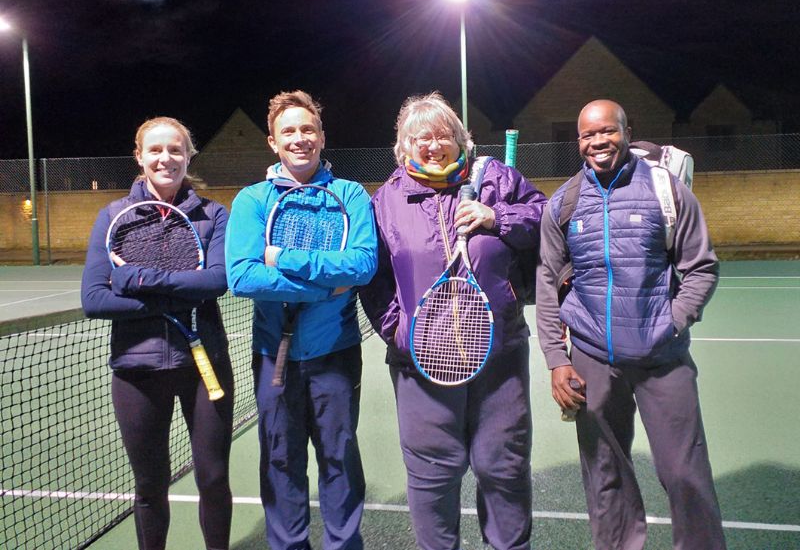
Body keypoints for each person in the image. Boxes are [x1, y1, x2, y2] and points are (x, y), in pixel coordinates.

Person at [535, 99, 726, 550]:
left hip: (662, 357)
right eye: (588, 134)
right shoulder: (563, 202)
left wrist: (672, 322)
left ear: (627, 130)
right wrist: (556, 359)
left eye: (608, 131)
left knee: (685, 473)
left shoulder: (667, 191)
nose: (598, 141)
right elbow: (547, 280)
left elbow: (702, 267)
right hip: (592, 358)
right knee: (606, 476)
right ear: (577, 140)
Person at [360, 91, 547, 550]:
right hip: (420, 366)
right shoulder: (385, 201)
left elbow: (548, 221)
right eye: (419, 137)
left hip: (499, 359)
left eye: (442, 134)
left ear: (460, 139)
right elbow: (375, 279)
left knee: (501, 469)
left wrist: (497, 216)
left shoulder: (497, 180)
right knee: (432, 478)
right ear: (403, 147)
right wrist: (401, 332)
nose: (432, 144)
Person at [225, 90, 377, 550]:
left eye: (307, 129)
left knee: (339, 459)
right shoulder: (251, 200)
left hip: (336, 354)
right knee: (280, 461)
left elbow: (362, 264)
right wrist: (324, 285)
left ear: (322, 136)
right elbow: (244, 276)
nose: (299, 138)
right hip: (274, 357)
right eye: (288, 131)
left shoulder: (350, 194)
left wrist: (284, 258)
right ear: (273, 142)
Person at [81, 117, 233, 550]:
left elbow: (217, 281)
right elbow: (95, 299)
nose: (165, 158)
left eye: (175, 149)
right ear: (139, 156)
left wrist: (137, 279)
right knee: (149, 486)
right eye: (155, 150)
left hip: (206, 368)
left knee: (214, 478)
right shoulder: (112, 216)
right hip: (136, 371)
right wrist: (177, 295)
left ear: (189, 155)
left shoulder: (214, 214)